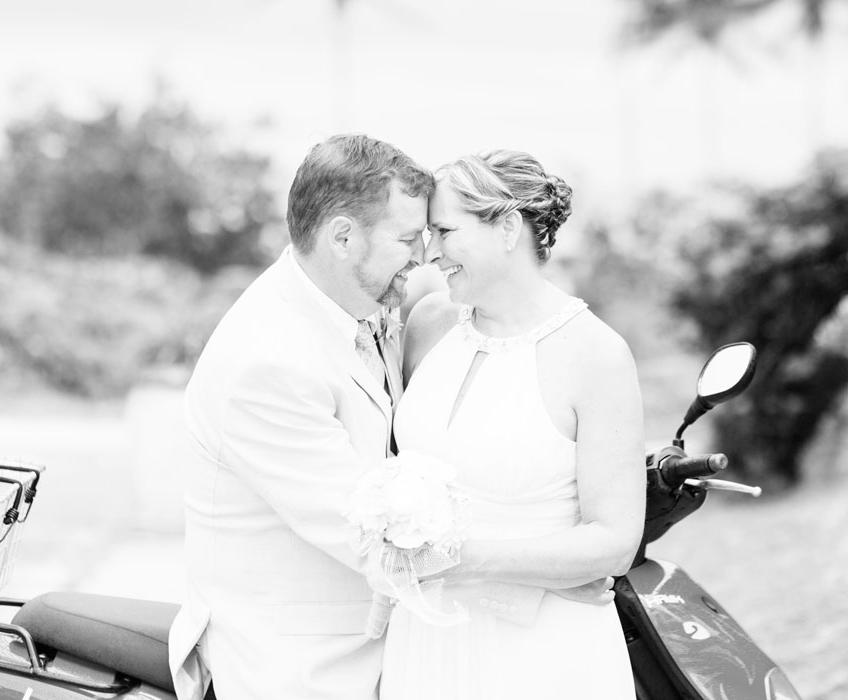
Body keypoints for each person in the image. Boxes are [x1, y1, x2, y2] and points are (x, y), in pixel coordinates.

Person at [167, 134, 436, 700]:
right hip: (297, 670)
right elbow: (372, 533)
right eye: (408, 238)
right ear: (342, 236)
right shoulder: (269, 360)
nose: (423, 255)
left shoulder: (355, 304)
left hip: (377, 651)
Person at [379, 150, 646, 699]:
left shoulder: (595, 354)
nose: (430, 252)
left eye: (444, 231)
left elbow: (615, 542)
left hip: (540, 652)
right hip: (426, 641)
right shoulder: (429, 324)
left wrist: (456, 558)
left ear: (505, 227)